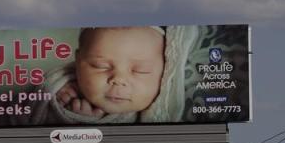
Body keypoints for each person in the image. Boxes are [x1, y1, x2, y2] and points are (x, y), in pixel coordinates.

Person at [39, 25, 198, 124]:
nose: (118, 79)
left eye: (140, 70)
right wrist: (65, 111)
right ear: (78, 61)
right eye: (100, 66)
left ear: (165, 69)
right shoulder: (63, 88)